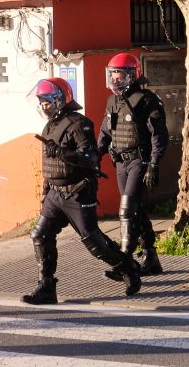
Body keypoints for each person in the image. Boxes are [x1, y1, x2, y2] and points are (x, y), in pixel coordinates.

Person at [22, 77, 143, 305]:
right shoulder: (51, 125)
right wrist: (46, 192)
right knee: (40, 234)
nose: (43, 107)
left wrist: (62, 153)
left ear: (58, 101)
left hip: (77, 192)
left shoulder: (80, 124)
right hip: (55, 194)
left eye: (46, 102)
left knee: (93, 241)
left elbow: (91, 158)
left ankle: (128, 267)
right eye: (41, 103)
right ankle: (46, 287)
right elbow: (48, 163)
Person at [98, 53, 167, 277]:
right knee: (134, 210)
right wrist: (92, 158)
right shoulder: (112, 101)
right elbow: (105, 133)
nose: (115, 78)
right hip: (121, 164)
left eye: (119, 74)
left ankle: (125, 262)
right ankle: (150, 257)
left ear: (132, 75)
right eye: (112, 74)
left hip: (140, 161)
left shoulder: (147, 99)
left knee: (127, 210)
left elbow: (159, 135)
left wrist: (154, 164)